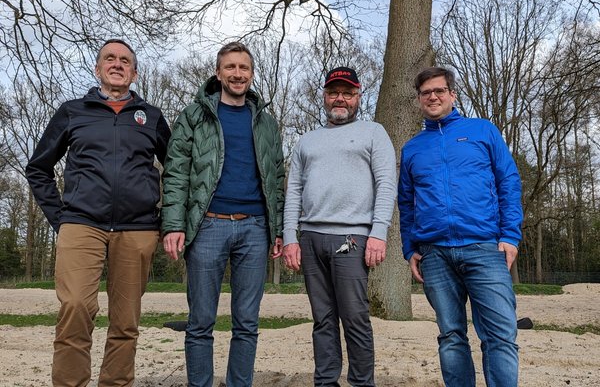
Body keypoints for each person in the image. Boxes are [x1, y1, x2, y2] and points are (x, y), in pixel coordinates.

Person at [25, 39, 171, 386]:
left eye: (125, 61)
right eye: (110, 58)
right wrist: (60, 217)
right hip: (80, 224)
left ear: (134, 73)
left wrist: (165, 220)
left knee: (125, 321)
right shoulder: (73, 111)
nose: (117, 64)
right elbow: (38, 168)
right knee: (75, 307)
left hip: (138, 230)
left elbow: (179, 171)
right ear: (97, 68)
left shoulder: (151, 117)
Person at [161, 41, 285, 387]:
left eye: (243, 68)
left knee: (247, 322)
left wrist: (278, 229)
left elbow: (276, 178)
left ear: (252, 74)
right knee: (200, 321)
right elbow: (175, 173)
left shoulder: (266, 124)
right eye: (230, 67)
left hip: (255, 230)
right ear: (218, 73)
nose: (237, 73)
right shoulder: (194, 116)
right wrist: (173, 224)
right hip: (208, 226)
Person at [398, 66, 523, 387]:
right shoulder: (412, 148)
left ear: (453, 94)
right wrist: (410, 248)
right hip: (435, 255)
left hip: (485, 248)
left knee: (500, 335)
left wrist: (510, 234)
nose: (433, 96)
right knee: (451, 336)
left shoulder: (483, 131)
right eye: (426, 93)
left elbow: (508, 181)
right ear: (419, 100)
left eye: (439, 90)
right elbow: (407, 203)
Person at [282, 66, 397, 387]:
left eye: (347, 93)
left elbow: (387, 184)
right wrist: (290, 237)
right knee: (323, 320)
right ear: (325, 96)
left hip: (353, 238)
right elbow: (293, 191)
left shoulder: (374, 132)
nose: (340, 99)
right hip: (311, 238)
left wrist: (378, 232)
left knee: (356, 318)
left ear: (359, 96)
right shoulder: (307, 141)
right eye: (334, 92)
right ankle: (326, 382)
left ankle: (362, 383)